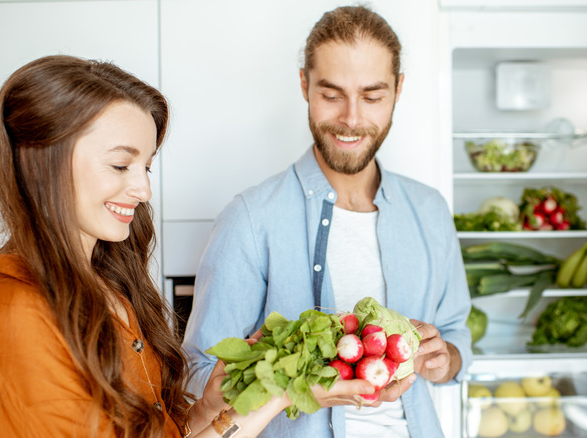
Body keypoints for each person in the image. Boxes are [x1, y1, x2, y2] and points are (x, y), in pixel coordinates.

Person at [0, 54, 375, 438]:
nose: (144, 188)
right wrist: (276, 398)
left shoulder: (110, 289)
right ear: (42, 162)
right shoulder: (14, 315)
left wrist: (208, 410)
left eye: (145, 165)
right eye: (119, 164)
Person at [182, 5, 472, 438]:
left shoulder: (429, 211)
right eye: (331, 94)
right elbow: (197, 373)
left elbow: (457, 340)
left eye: (372, 96)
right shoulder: (250, 219)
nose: (352, 119)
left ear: (398, 89)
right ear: (305, 85)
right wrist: (287, 382)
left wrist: (443, 356)